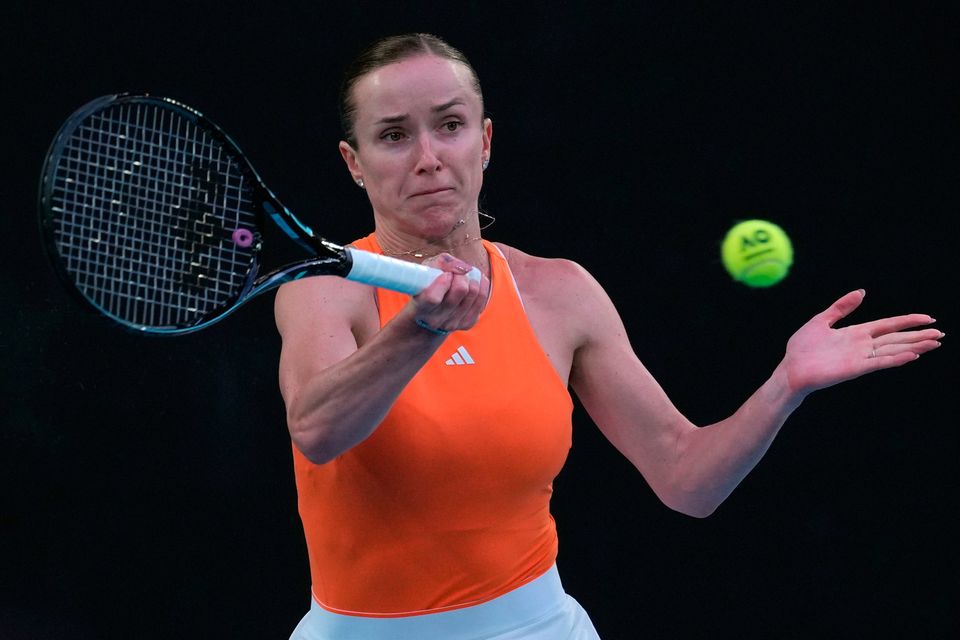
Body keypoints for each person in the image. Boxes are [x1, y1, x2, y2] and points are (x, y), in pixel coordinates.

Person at [275, 33, 942, 640]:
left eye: (449, 126)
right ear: (353, 162)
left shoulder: (558, 293)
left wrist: (786, 384)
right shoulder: (322, 291)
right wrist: (420, 331)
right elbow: (318, 429)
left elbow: (687, 480)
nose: (428, 158)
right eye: (393, 135)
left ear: (484, 141)